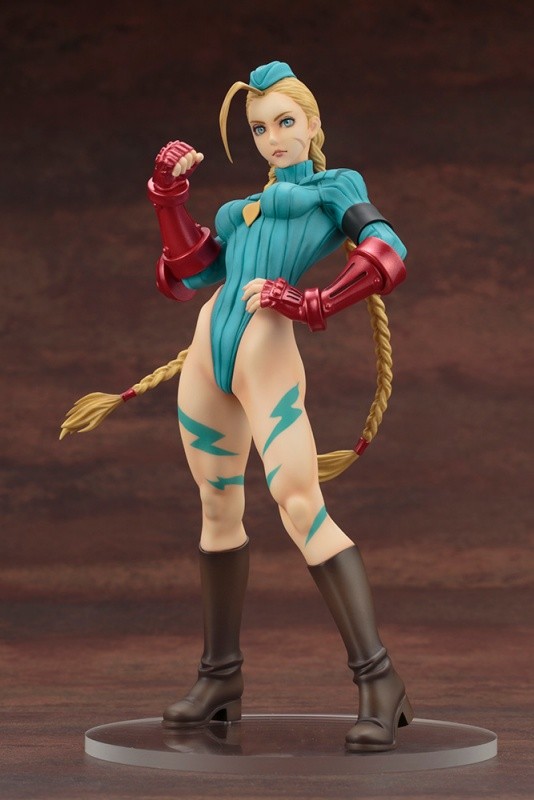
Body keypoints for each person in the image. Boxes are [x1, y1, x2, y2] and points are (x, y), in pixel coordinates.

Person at [61, 61, 412, 752]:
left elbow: (387, 252)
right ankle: (220, 677)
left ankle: (380, 681)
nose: (273, 138)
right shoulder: (237, 210)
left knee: (299, 502)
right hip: (208, 354)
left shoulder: (336, 188)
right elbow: (190, 275)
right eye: (259, 128)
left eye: (285, 122)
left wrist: (311, 301)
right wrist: (167, 197)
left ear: (312, 123)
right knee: (217, 505)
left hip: (265, 350)